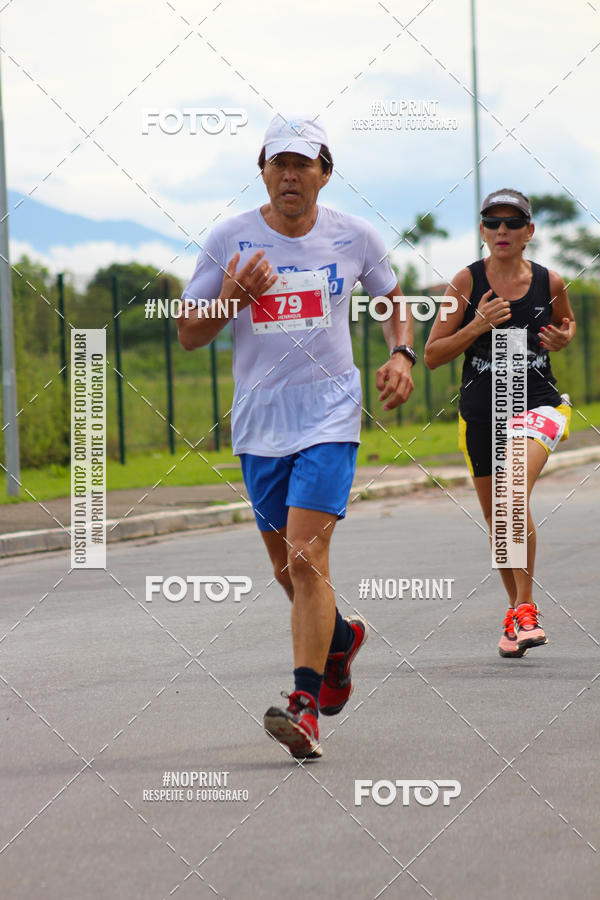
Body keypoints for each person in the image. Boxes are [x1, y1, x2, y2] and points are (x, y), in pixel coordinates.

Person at [177, 114, 415, 757]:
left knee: (309, 557)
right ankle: (340, 639)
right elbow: (189, 332)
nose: (289, 174)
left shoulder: (355, 235)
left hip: (331, 414)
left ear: (324, 173)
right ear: (262, 172)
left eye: (301, 163)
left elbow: (393, 300)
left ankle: (304, 704)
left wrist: (401, 355)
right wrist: (230, 296)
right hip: (260, 421)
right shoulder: (230, 236)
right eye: (277, 163)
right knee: (286, 567)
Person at [424, 188, 575, 658]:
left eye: (513, 223)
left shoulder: (550, 282)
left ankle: (525, 608)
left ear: (530, 232)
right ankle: (516, 615)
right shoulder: (465, 284)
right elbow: (431, 355)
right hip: (482, 416)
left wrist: (561, 337)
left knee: (512, 494)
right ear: (483, 231)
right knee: (499, 521)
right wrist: (476, 326)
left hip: (540, 407)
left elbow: (566, 326)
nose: (502, 231)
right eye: (493, 222)